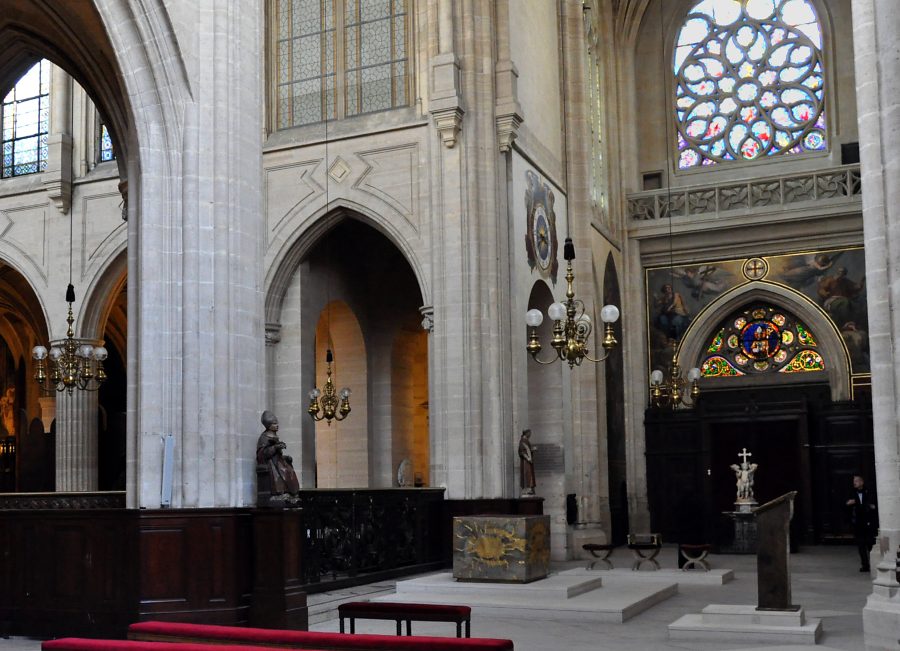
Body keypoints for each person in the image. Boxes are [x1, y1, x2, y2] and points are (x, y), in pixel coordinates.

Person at [256, 410, 300, 499]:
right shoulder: (264, 437)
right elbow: (262, 454)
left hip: (278, 461)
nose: (277, 425)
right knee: (284, 471)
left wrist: (285, 457)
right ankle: (279, 493)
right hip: (270, 463)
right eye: (274, 424)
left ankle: (292, 493)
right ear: (269, 425)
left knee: (289, 470)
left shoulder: (274, 435)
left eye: (277, 423)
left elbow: (278, 454)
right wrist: (275, 447)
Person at [846, 474, 878, 572]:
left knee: (870, 544)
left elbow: (872, 504)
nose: (854, 483)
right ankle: (865, 565)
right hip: (858, 522)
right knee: (861, 545)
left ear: (862, 482)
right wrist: (848, 503)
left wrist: (871, 507)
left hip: (868, 522)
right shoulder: (852, 492)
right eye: (854, 481)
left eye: (856, 481)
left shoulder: (868, 492)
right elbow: (846, 503)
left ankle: (874, 564)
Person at [518, 429, 536, 496]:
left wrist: (532, 449)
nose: (530, 435)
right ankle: (527, 489)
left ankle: (530, 488)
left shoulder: (526, 441)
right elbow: (522, 451)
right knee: (527, 474)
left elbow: (527, 449)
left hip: (528, 461)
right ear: (526, 433)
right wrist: (528, 458)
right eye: (529, 433)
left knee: (530, 474)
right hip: (525, 462)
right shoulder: (522, 441)